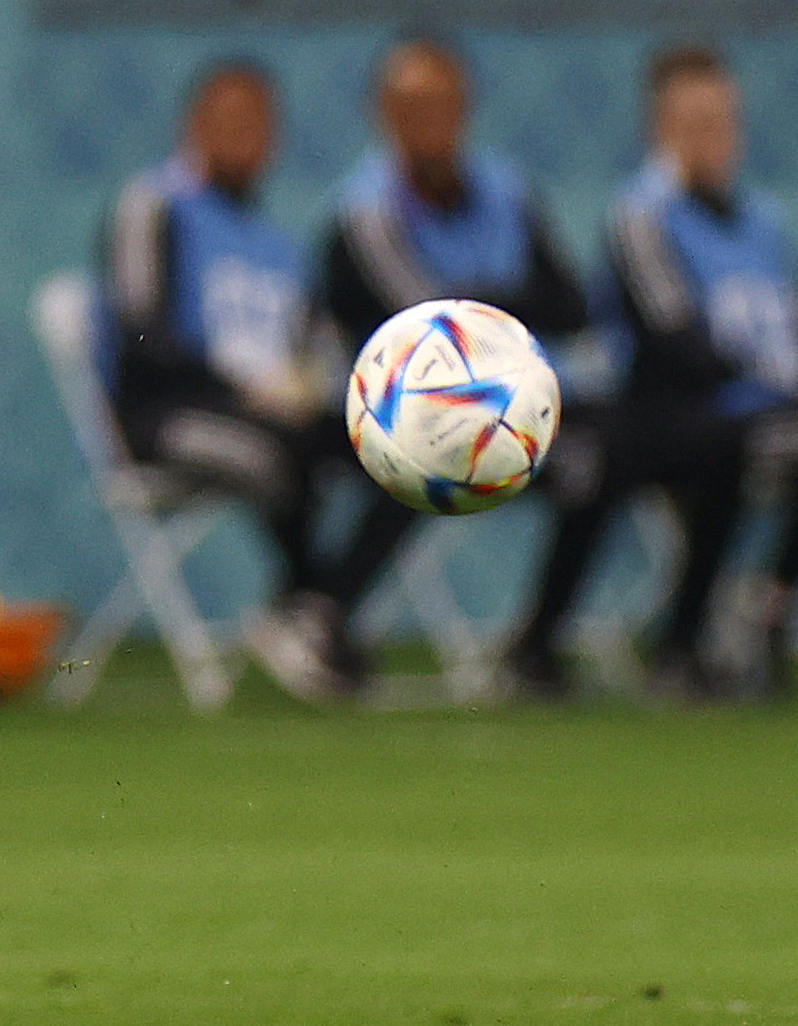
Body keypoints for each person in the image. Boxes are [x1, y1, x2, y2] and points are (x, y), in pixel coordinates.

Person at [252, 35, 587, 695]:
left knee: (599, 459)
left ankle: (538, 643)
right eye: (410, 106)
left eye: (442, 104)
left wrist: (482, 301)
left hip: (514, 406)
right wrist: (505, 304)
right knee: (423, 439)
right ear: (384, 115)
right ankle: (322, 613)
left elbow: (571, 303)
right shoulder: (363, 211)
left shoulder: (508, 192)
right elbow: (428, 329)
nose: (428, 120)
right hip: (381, 410)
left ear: (464, 109)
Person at [506, 46, 798, 700]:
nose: (712, 137)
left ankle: (764, 609)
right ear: (659, 130)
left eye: (722, 121)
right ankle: (575, 644)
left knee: (739, 446)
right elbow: (675, 343)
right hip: (649, 408)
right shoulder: (641, 214)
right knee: (688, 452)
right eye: (693, 121)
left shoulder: (760, 222)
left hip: (747, 412)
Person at [104, 62, 403, 651]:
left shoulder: (279, 245)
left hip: (275, 413)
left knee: (397, 452)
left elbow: (313, 347)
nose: (247, 137)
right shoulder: (154, 206)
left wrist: (312, 383)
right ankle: (313, 616)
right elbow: (144, 335)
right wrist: (248, 389)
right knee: (272, 455)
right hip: (167, 414)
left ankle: (320, 611)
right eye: (231, 121)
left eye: (259, 125)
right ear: (194, 126)